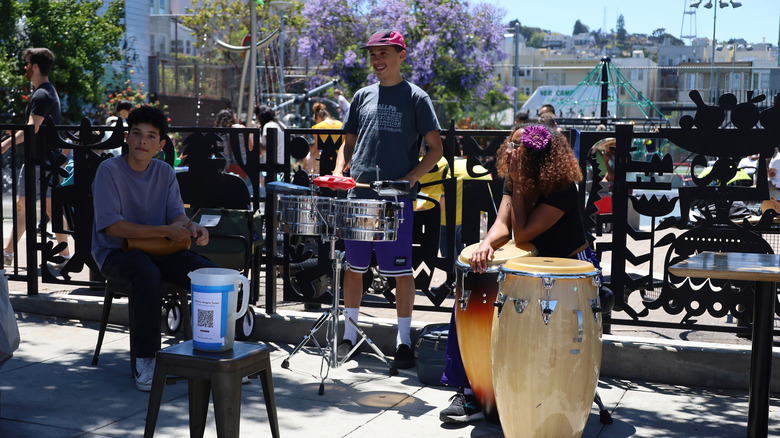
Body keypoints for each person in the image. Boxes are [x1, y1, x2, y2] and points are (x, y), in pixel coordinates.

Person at [439, 124, 604, 423]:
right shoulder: (514, 178)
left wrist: (516, 183)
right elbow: (503, 224)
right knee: (471, 293)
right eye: (511, 145)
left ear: (540, 154)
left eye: (520, 146)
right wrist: (486, 244)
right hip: (532, 267)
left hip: (570, 268)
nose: (513, 151)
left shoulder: (561, 186)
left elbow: (523, 233)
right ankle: (469, 392)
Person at [333, 30, 443, 369]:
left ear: (401, 55)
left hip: (396, 201)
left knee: (401, 271)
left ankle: (404, 341)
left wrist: (412, 177)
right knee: (353, 269)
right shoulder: (361, 95)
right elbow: (347, 144)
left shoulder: (417, 98)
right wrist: (339, 170)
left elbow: (436, 149)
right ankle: (350, 335)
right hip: (359, 196)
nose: (377, 60)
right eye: (372, 54)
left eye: (384, 53)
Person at [91, 105, 217, 392]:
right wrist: (166, 231)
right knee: (146, 275)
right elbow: (114, 228)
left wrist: (192, 227)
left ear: (160, 145)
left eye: (150, 136)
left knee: (208, 274)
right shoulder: (108, 170)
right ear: (127, 137)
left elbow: (177, 215)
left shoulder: (164, 171)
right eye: (136, 134)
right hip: (116, 253)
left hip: (161, 250)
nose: (142, 141)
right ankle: (146, 361)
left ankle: (212, 352)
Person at [1, 47, 70, 267]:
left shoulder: (41, 94)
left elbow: (33, 129)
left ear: (36, 66)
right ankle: (10, 253)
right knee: (30, 206)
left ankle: (65, 255)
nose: (25, 68)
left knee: (42, 207)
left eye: (28, 64)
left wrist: (4, 145)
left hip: (42, 161)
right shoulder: (47, 92)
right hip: (44, 160)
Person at [307, 102, 343, 174]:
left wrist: (314, 168)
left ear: (318, 117)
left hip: (325, 165)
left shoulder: (318, 127)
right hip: (340, 166)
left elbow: (316, 150)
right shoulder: (341, 125)